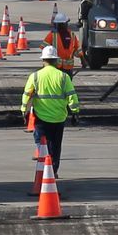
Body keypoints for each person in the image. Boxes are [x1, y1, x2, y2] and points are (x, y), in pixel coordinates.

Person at [21, 46, 80, 176]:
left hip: (41, 117)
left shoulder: (35, 76)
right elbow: (72, 96)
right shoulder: (64, 77)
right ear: (56, 61)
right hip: (59, 117)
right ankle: (53, 170)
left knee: (42, 144)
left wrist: (23, 111)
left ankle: (44, 169)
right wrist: (75, 112)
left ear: (43, 60)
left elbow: (26, 95)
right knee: (56, 145)